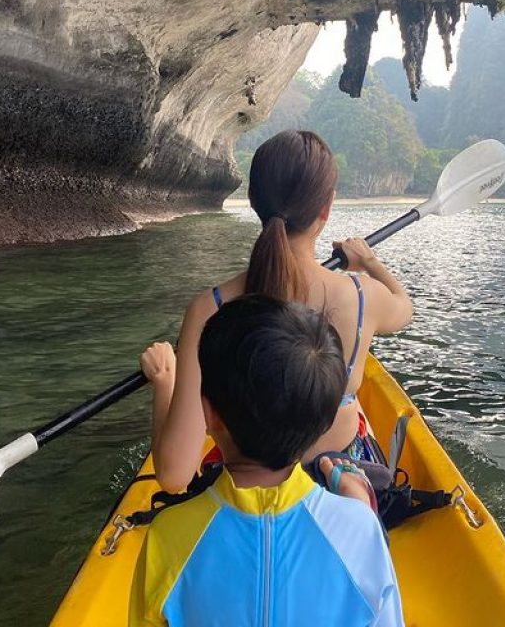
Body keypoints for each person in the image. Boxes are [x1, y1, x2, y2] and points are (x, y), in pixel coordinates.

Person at [140, 130, 413, 492]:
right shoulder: (363, 296)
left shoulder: (210, 308)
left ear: (253, 199)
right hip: (339, 474)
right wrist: (369, 262)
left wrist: (165, 383)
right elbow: (404, 307)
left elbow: (174, 477)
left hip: (251, 484)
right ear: (326, 208)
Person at [129, 295, 404, 627]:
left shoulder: (168, 536)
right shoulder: (361, 531)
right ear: (324, 421)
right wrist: (358, 509)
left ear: (209, 414)